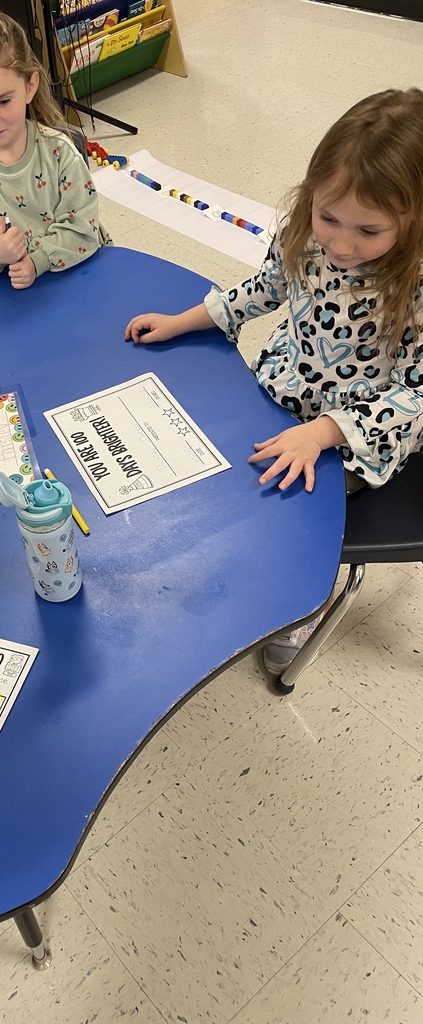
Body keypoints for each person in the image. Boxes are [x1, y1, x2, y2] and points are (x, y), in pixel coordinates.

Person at [124, 88, 423, 670]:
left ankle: (308, 596)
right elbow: (267, 286)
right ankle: (248, 559)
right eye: (328, 217)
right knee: (222, 462)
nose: (339, 244)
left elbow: (415, 392)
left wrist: (323, 434)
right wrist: (185, 321)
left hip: (359, 426)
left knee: (299, 504)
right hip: (288, 383)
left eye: (368, 231)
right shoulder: (305, 232)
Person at [0, 9, 111, 289]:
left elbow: (84, 228)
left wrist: (37, 260)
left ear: (30, 86)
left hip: (77, 278)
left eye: (4, 101)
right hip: (13, 297)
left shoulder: (59, 153)